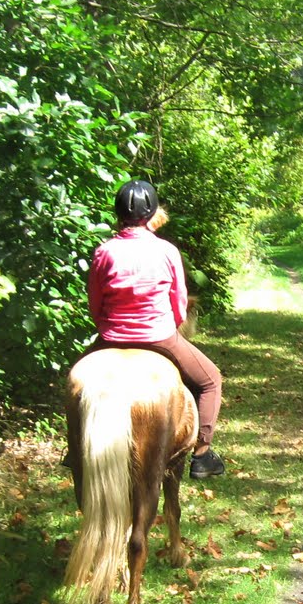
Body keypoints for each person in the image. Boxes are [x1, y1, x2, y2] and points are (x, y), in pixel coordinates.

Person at [87, 179, 225, 480]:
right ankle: (202, 455)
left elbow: (95, 303)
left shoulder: (104, 251)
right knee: (211, 380)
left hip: (110, 338)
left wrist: (107, 329)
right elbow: (178, 304)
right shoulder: (167, 251)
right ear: (151, 213)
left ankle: (76, 452)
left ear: (118, 212)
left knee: (75, 382)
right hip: (159, 338)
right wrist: (171, 325)